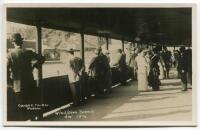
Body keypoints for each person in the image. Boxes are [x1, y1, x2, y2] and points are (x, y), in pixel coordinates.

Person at [7, 33, 45, 120]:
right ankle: (33, 119)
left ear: (13, 43)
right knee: (31, 102)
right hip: (30, 82)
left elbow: (5, 70)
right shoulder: (28, 52)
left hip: (18, 85)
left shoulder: (10, 54)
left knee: (21, 105)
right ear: (22, 42)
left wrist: (9, 83)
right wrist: (34, 66)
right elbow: (42, 58)